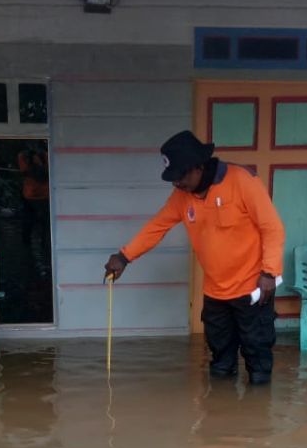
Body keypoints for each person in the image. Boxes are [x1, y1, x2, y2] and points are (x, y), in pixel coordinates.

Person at [103, 131, 285, 385]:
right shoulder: (182, 196)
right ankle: (220, 419)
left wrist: (269, 272)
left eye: (181, 176)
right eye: (173, 179)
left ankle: (258, 420)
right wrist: (124, 257)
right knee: (220, 365)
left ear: (198, 166)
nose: (177, 184)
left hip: (253, 289)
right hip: (216, 293)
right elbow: (157, 226)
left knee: (259, 365)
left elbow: (272, 227)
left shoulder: (243, 181)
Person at [17, 145, 50, 248]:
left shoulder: (45, 156)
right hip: (31, 195)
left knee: (45, 223)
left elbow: (45, 174)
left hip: (42, 195)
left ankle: (44, 245)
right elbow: (27, 172)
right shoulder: (23, 156)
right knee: (29, 222)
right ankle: (27, 245)